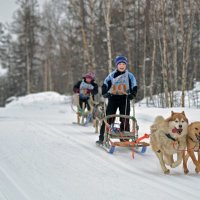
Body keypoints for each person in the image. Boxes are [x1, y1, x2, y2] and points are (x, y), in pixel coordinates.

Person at [96, 55, 137, 144]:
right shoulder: (112, 75)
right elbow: (105, 84)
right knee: (109, 117)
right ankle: (102, 136)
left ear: (126, 65)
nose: (122, 66)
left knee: (125, 118)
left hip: (125, 99)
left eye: (123, 64)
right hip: (113, 98)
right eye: (120, 64)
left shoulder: (130, 76)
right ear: (117, 65)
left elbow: (134, 85)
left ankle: (125, 138)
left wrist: (133, 94)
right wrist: (105, 93)